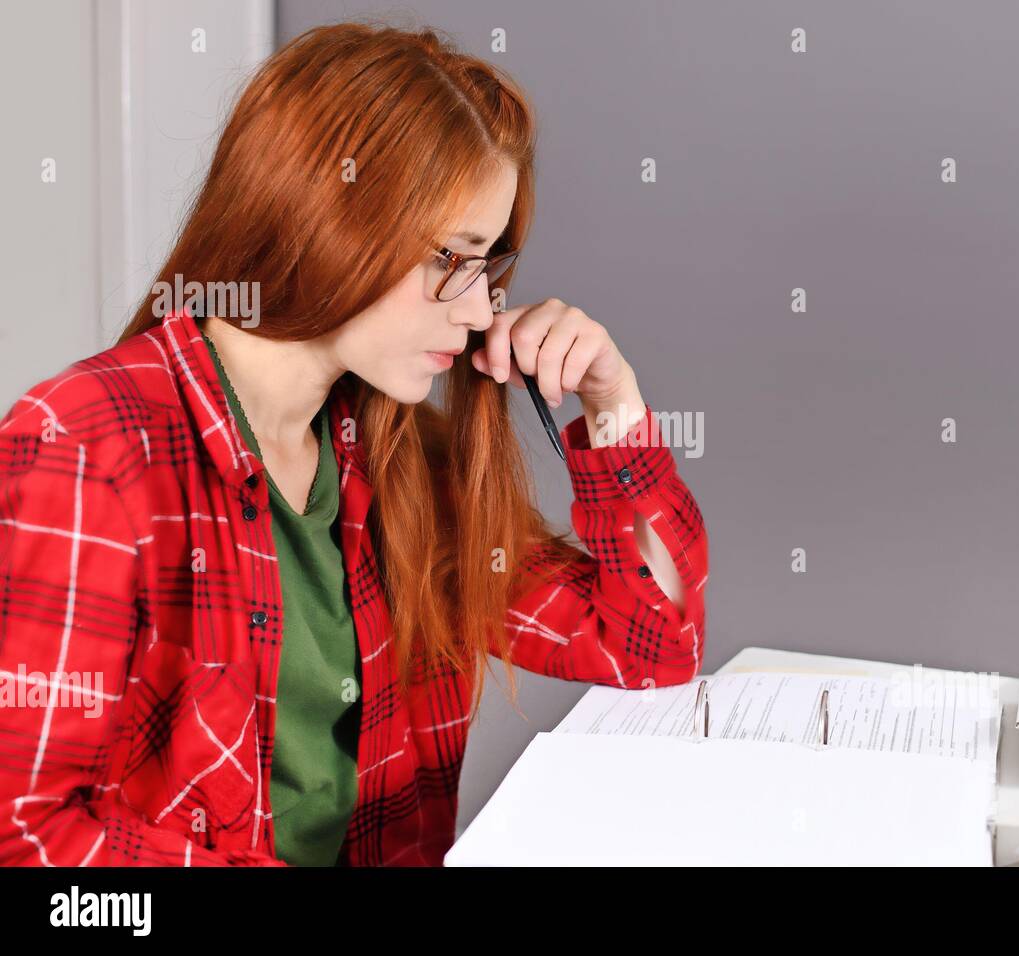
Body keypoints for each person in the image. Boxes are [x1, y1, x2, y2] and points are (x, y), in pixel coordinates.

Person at [0, 22, 708, 866]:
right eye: (452, 257)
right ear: (325, 216)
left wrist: (613, 400)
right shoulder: (85, 451)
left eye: (489, 268)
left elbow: (652, 646)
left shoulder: (400, 457)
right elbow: (27, 834)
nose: (482, 311)